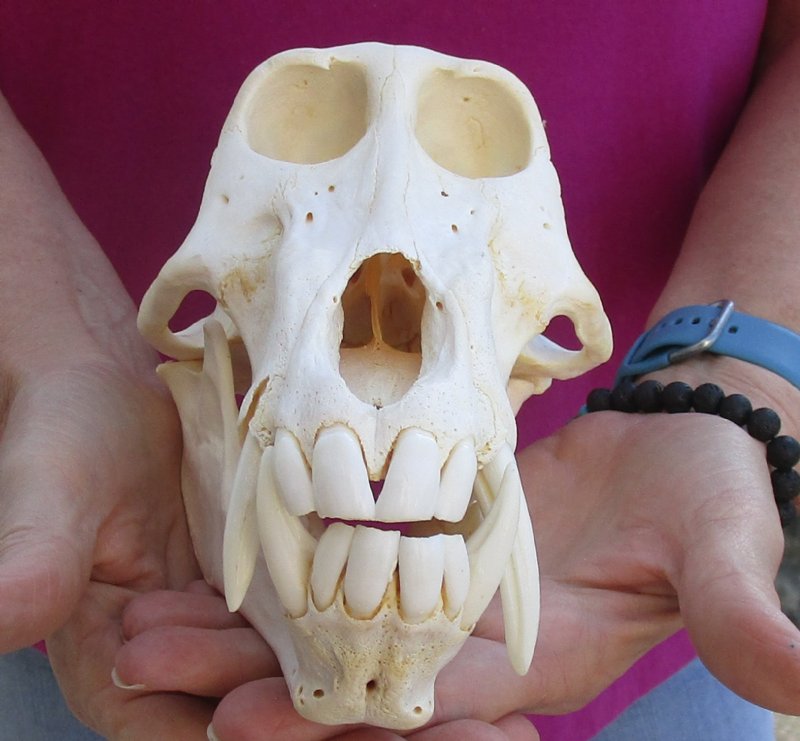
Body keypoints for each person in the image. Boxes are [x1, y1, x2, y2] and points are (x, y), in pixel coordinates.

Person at [0, 1, 799, 739]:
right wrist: (46, 331)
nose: (386, 332)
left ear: (561, 329)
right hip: (100, 567)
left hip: (654, 646)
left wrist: (728, 369)